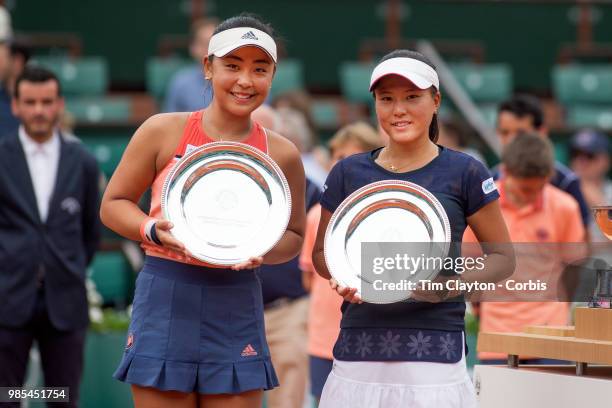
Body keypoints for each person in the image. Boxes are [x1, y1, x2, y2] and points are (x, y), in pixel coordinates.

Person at [100, 14, 306, 408]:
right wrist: (152, 230)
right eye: (232, 65)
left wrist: (263, 250)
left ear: (273, 76)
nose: (245, 80)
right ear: (208, 68)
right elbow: (112, 205)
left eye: (259, 69)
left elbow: (293, 236)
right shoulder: (161, 130)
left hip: (237, 298)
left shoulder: (283, 153)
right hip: (166, 294)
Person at [311, 50, 514, 408]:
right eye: (386, 99)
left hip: (434, 352)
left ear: (435, 101)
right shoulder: (347, 172)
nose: (398, 110)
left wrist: (447, 286)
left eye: (412, 97)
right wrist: (341, 275)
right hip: (359, 346)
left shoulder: (466, 172)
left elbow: (502, 258)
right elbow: (321, 253)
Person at [0, 66, 101, 407]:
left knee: (61, 398)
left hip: (65, 301)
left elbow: (90, 231)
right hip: (7, 300)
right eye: (30, 102)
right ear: (15, 106)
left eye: (46, 101)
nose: (39, 110)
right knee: (6, 398)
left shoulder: (83, 162)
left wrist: (65, 267)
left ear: (59, 104)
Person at [464, 133, 586, 363]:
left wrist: (560, 311)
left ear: (549, 176)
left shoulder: (565, 207)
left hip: (551, 338)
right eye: (525, 190)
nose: (531, 196)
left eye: (537, 189)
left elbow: (574, 267)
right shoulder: (481, 205)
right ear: (506, 172)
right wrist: (481, 310)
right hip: (497, 338)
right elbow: (471, 264)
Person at [299, 121, 382, 404]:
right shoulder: (315, 217)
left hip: (373, 337)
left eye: (350, 158)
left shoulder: (389, 219)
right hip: (324, 341)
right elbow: (309, 278)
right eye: (336, 157)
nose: (341, 166)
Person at [494, 94, 591, 229]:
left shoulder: (566, 182)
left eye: (520, 133)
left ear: (542, 132)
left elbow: (582, 241)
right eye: (505, 133)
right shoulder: (488, 179)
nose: (511, 140)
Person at [163, 18, 217, 112]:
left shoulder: (234, 81)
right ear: (193, 48)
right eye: (204, 43)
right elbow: (168, 122)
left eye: (215, 44)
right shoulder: (180, 83)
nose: (209, 49)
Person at [569, 129, 611, 242]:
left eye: (589, 155)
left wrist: (597, 201)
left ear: (606, 161)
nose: (581, 161)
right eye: (575, 154)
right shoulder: (562, 191)